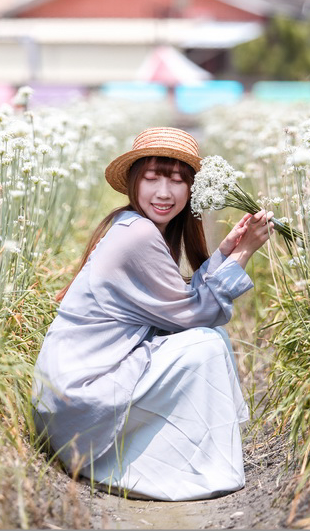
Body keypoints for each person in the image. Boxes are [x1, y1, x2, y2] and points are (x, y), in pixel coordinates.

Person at [32, 127, 274, 501]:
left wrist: (224, 254)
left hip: (65, 400)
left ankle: (178, 460)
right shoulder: (138, 234)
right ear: (133, 182)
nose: (165, 192)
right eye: (152, 178)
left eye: (178, 181)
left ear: (192, 190)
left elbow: (178, 305)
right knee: (207, 344)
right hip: (81, 402)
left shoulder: (128, 225)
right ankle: (174, 468)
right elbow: (195, 316)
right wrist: (243, 255)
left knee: (207, 342)